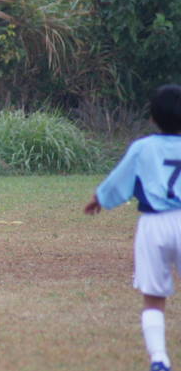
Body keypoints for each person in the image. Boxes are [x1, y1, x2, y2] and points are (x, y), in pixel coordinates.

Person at [84, 84, 181, 371]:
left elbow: (119, 180)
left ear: (152, 118)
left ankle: (159, 359)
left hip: (153, 224)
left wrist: (100, 198)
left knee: (153, 297)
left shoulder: (143, 147)